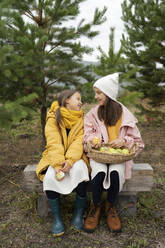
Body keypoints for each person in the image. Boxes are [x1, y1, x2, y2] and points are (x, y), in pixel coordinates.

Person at [83, 73, 144, 233]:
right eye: (95, 92)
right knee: (99, 173)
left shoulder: (125, 115)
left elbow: (138, 142)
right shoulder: (93, 114)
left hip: (119, 157)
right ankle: (95, 206)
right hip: (99, 155)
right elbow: (86, 136)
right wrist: (94, 140)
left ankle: (110, 207)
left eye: (99, 92)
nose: (95, 96)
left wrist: (124, 141)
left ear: (108, 93)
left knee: (116, 172)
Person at [36, 89, 89, 236]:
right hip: (55, 157)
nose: (81, 102)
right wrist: (59, 163)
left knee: (80, 170)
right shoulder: (53, 117)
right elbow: (53, 142)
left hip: (75, 157)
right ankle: (57, 219)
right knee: (50, 175)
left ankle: (78, 214)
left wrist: (71, 160)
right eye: (78, 99)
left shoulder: (82, 119)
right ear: (67, 100)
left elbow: (79, 142)